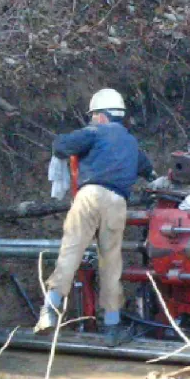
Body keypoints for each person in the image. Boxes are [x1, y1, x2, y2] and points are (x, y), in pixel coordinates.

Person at [36, 89, 153, 337]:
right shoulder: (131, 143)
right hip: (118, 203)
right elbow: (148, 169)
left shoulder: (95, 131)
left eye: (93, 116)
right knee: (111, 263)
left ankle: (49, 311)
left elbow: (62, 145)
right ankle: (112, 324)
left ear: (101, 115)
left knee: (71, 252)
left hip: (90, 197)